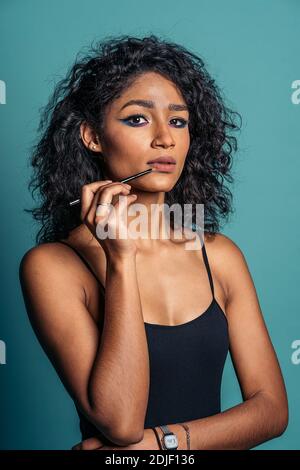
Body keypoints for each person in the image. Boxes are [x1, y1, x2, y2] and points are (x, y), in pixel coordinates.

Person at [19, 34, 288, 450]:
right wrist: (121, 261)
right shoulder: (53, 266)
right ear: (92, 136)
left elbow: (271, 410)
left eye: (178, 121)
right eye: (138, 119)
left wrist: (158, 447)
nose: (165, 138)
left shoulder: (219, 256)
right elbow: (120, 423)